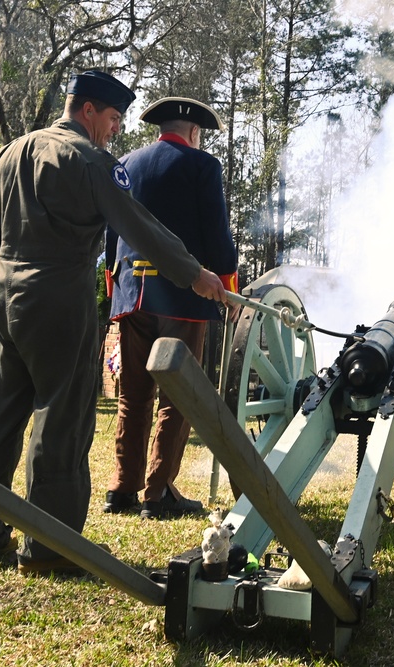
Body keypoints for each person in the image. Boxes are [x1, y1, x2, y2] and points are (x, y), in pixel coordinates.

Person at [0, 69, 227, 576]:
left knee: (0, 419)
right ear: (88, 111)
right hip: (58, 296)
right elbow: (137, 225)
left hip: (4, 294)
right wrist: (194, 274)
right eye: (112, 118)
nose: (115, 130)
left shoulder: (12, 149)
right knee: (61, 418)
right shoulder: (88, 159)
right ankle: (50, 547)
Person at [103, 97, 239, 519]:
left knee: (134, 395)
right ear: (194, 132)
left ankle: (122, 489)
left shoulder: (125, 162)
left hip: (131, 293)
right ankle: (157, 492)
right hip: (182, 295)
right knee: (177, 397)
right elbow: (216, 234)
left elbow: (112, 231)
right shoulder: (202, 166)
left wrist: (115, 283)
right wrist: (227, 282)